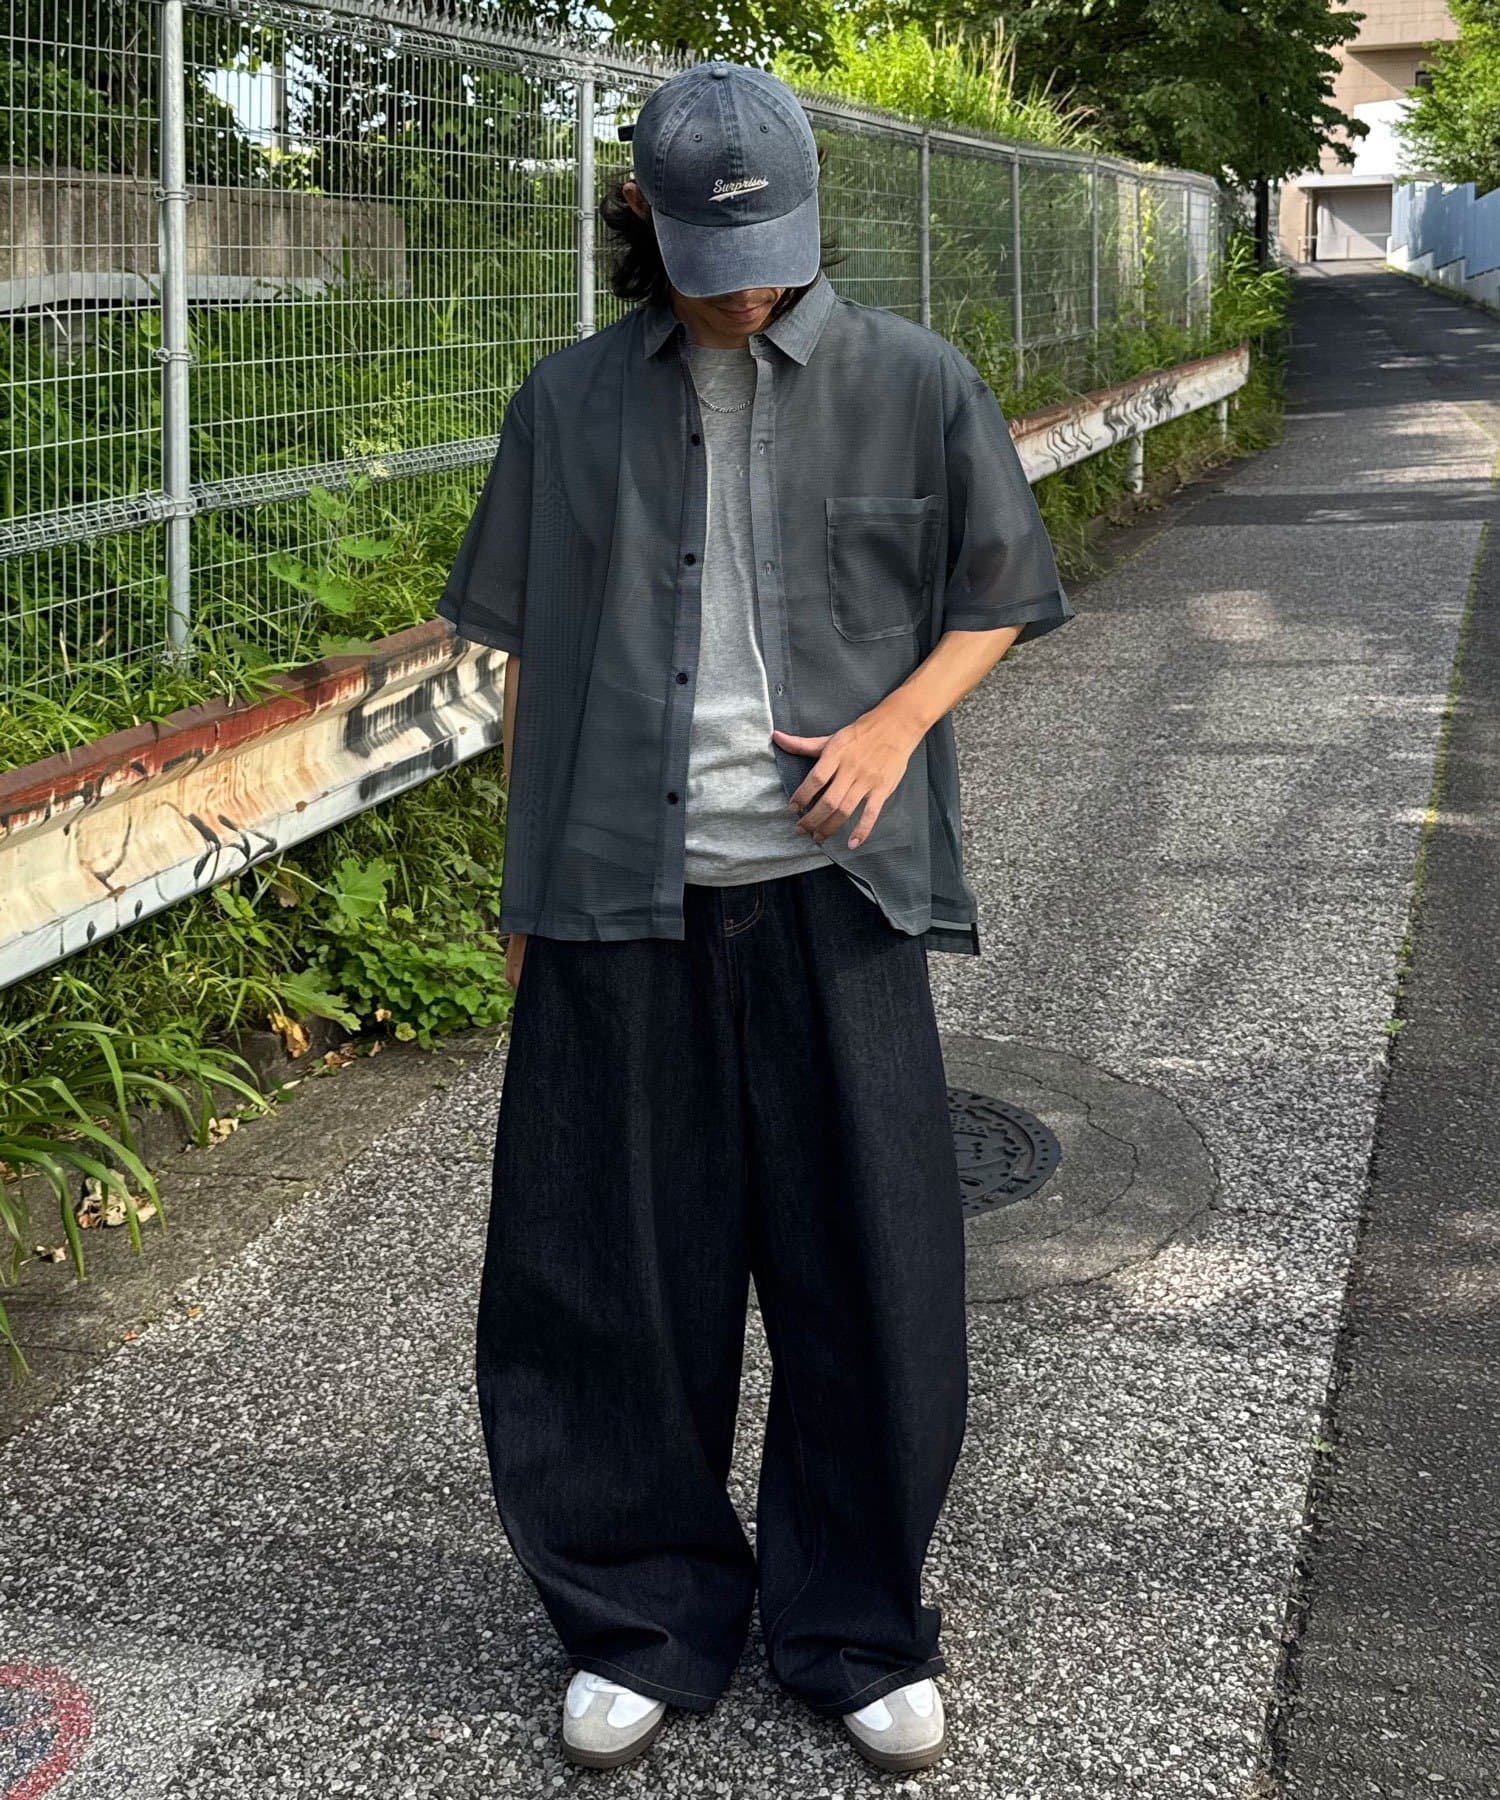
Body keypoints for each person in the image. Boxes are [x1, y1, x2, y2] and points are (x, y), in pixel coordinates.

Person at [437, 59, 1074, 1774]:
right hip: (614, 896)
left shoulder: (914, 380)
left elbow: (999, 592)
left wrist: (894, 726)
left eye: (770, 255)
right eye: (711, 258)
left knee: (870, 1271)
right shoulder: (568, 403)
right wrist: (524, 895)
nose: (744, 290)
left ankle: (856, 1623)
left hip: (833, 896)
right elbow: (530, 662)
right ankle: (639, 1615)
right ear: (641, 222)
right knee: (606, 1275)